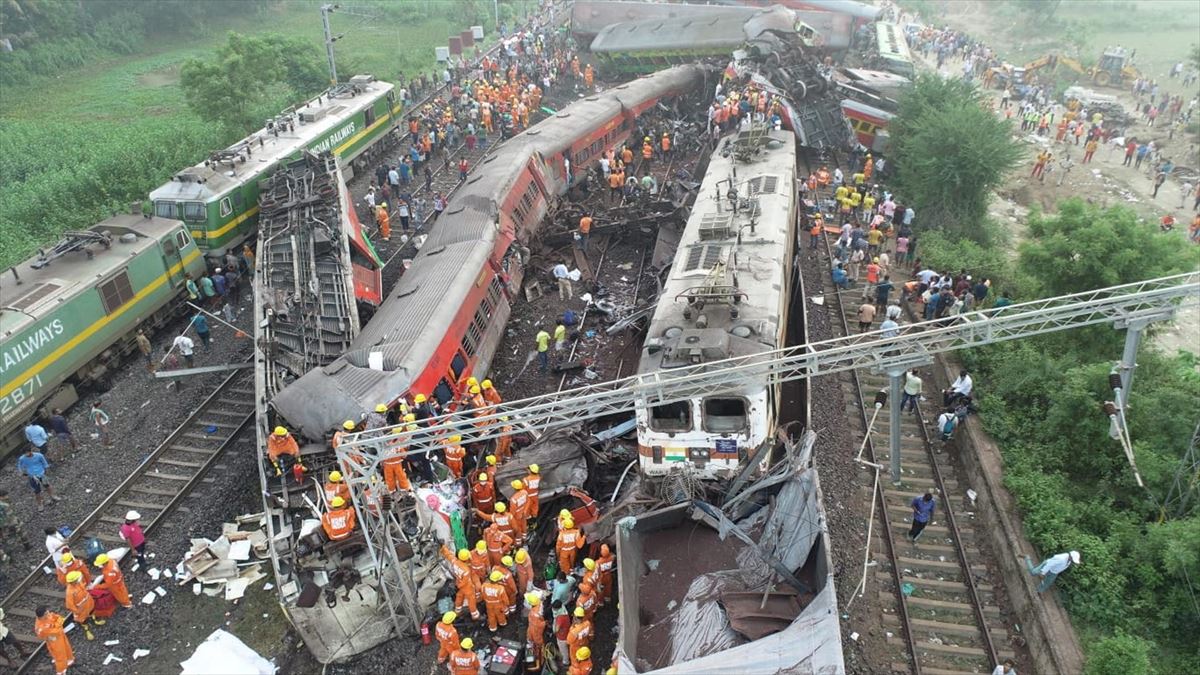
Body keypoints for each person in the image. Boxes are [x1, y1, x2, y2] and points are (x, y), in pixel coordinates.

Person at [33, 606, 73, 675]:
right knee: (59, 655)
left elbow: (59, 617)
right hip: (54, 641)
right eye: (46, 614)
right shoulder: (41, 627)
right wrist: (58, 625)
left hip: (58, 637)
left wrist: (57, 625)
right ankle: (61, 670)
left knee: (66, 647)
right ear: (41, 617)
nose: (48, 614)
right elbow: (57, 630)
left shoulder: (48, 615)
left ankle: (69, 659)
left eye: (47, 612)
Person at [17, 447, 59, 511]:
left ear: (30, 451)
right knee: (37, 491)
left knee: (47, 486)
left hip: (41, 474)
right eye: (25, 453)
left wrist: (46, 472)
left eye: (27, 452)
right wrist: (22, 472)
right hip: (32, 477)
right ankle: (40, 504)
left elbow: (45, 464)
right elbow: (20, 467)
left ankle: (53, 496)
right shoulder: (22, 459)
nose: (26, 454)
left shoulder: (39, 455)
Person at [65, 570, 102, 640]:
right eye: (77, 578)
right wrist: (77, 611)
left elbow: (84, 588)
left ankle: (95, 620)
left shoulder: (78, 583)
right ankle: (87, 629)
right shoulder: (70, 592)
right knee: (83, 619)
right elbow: (69, 605)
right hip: (81, 609)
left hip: (88, 602)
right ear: (73, 581)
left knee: (91, 611)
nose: (79, 579)